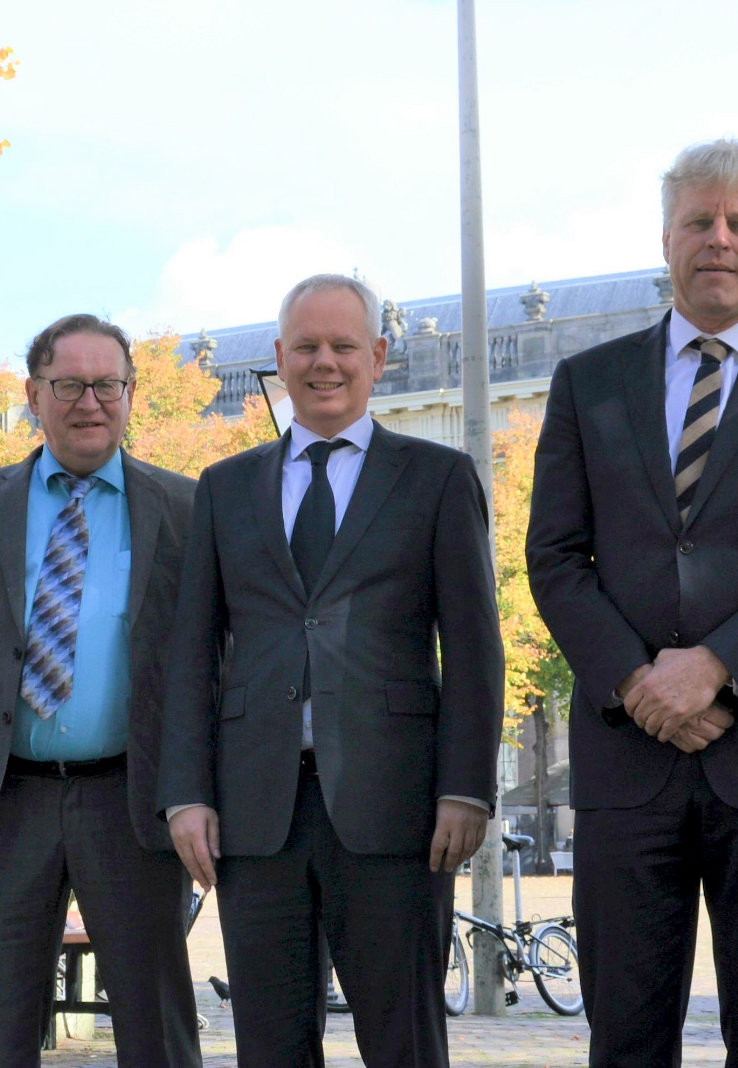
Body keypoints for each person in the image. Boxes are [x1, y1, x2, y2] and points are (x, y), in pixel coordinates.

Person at [525, 139, 738, 1067]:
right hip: (625, 757)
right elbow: (555, 556)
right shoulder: (587, 383)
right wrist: (637, 681)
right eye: (698, 221)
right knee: (626, 1039)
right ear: (666, 239)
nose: (718, 238)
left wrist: (716, 668)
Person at [159, 273, 504, 1068]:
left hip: (397, 809)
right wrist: (187, 792)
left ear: (377, 357)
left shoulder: (439, 478)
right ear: (279, 358)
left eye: (343, 346)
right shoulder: (225, 487)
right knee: (270, 1046)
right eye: (306, 346)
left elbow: (473, 646)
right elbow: (193, 652)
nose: (325, 362)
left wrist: (466, 787)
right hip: (256, 815)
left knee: (403, 1042)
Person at [0, 314, 203, 1068]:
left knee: (157, 1032)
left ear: (130, 393)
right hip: (8, 802)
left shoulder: (186, 508)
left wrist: (201, 793)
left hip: (133, 802)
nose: (89, 401)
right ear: (33, 395)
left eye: (107, 385)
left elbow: (209, 665)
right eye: (69, 385)